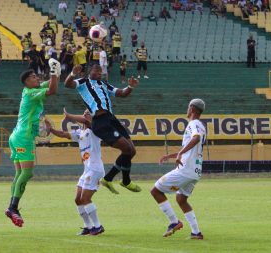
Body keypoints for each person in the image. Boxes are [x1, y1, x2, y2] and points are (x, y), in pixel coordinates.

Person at [64, 64, 141, 194]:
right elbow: (68, 84)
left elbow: (122, 93)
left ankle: (119, 180)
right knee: (126, 149)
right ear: (90, 71)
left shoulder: (104, 84)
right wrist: (72, 74)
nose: (100, 72)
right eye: (96, 70)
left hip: (111, 118)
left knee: (132, 151)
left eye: (101, 71)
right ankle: (114, 179)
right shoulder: (84, 82)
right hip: (100, 121)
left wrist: (130, 87)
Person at [5, 59, 61, 227]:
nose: (37, 78)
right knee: (27, 173)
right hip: (24, 137)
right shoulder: (31, 93)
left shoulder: (30, 90)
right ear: (27, 82)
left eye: (37, 76)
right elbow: (52, 90)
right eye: (34, 77)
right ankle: (13, 207)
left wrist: (57, 73)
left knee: (19, 174)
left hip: (16, 136)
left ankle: (12, 207)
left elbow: (50, 83)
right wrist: (53, 71)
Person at [150, 99, 206, 240]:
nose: (187, 109)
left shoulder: (194, 124)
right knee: (181, 199)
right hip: (195, 171)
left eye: (188, 107)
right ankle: (196, 233)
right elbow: (192, 147)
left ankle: (174, 222)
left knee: (156, 191)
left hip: (185, 169)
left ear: (192, 108)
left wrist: (180, 154)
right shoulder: (201, 125)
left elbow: (196, 138)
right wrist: (172, 155)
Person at [45, 108, 105, 236]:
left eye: (88, 113)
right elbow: (63, 134)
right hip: (87, 170)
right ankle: (88, 227)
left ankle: (98, 226)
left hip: (95, 169)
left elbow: (86, 122)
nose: (85, 114)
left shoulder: (95, 128)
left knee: (85, 198)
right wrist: (51, 130)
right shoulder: (80, 133)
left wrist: (69, 115)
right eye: (84, 113)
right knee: (78, 199)